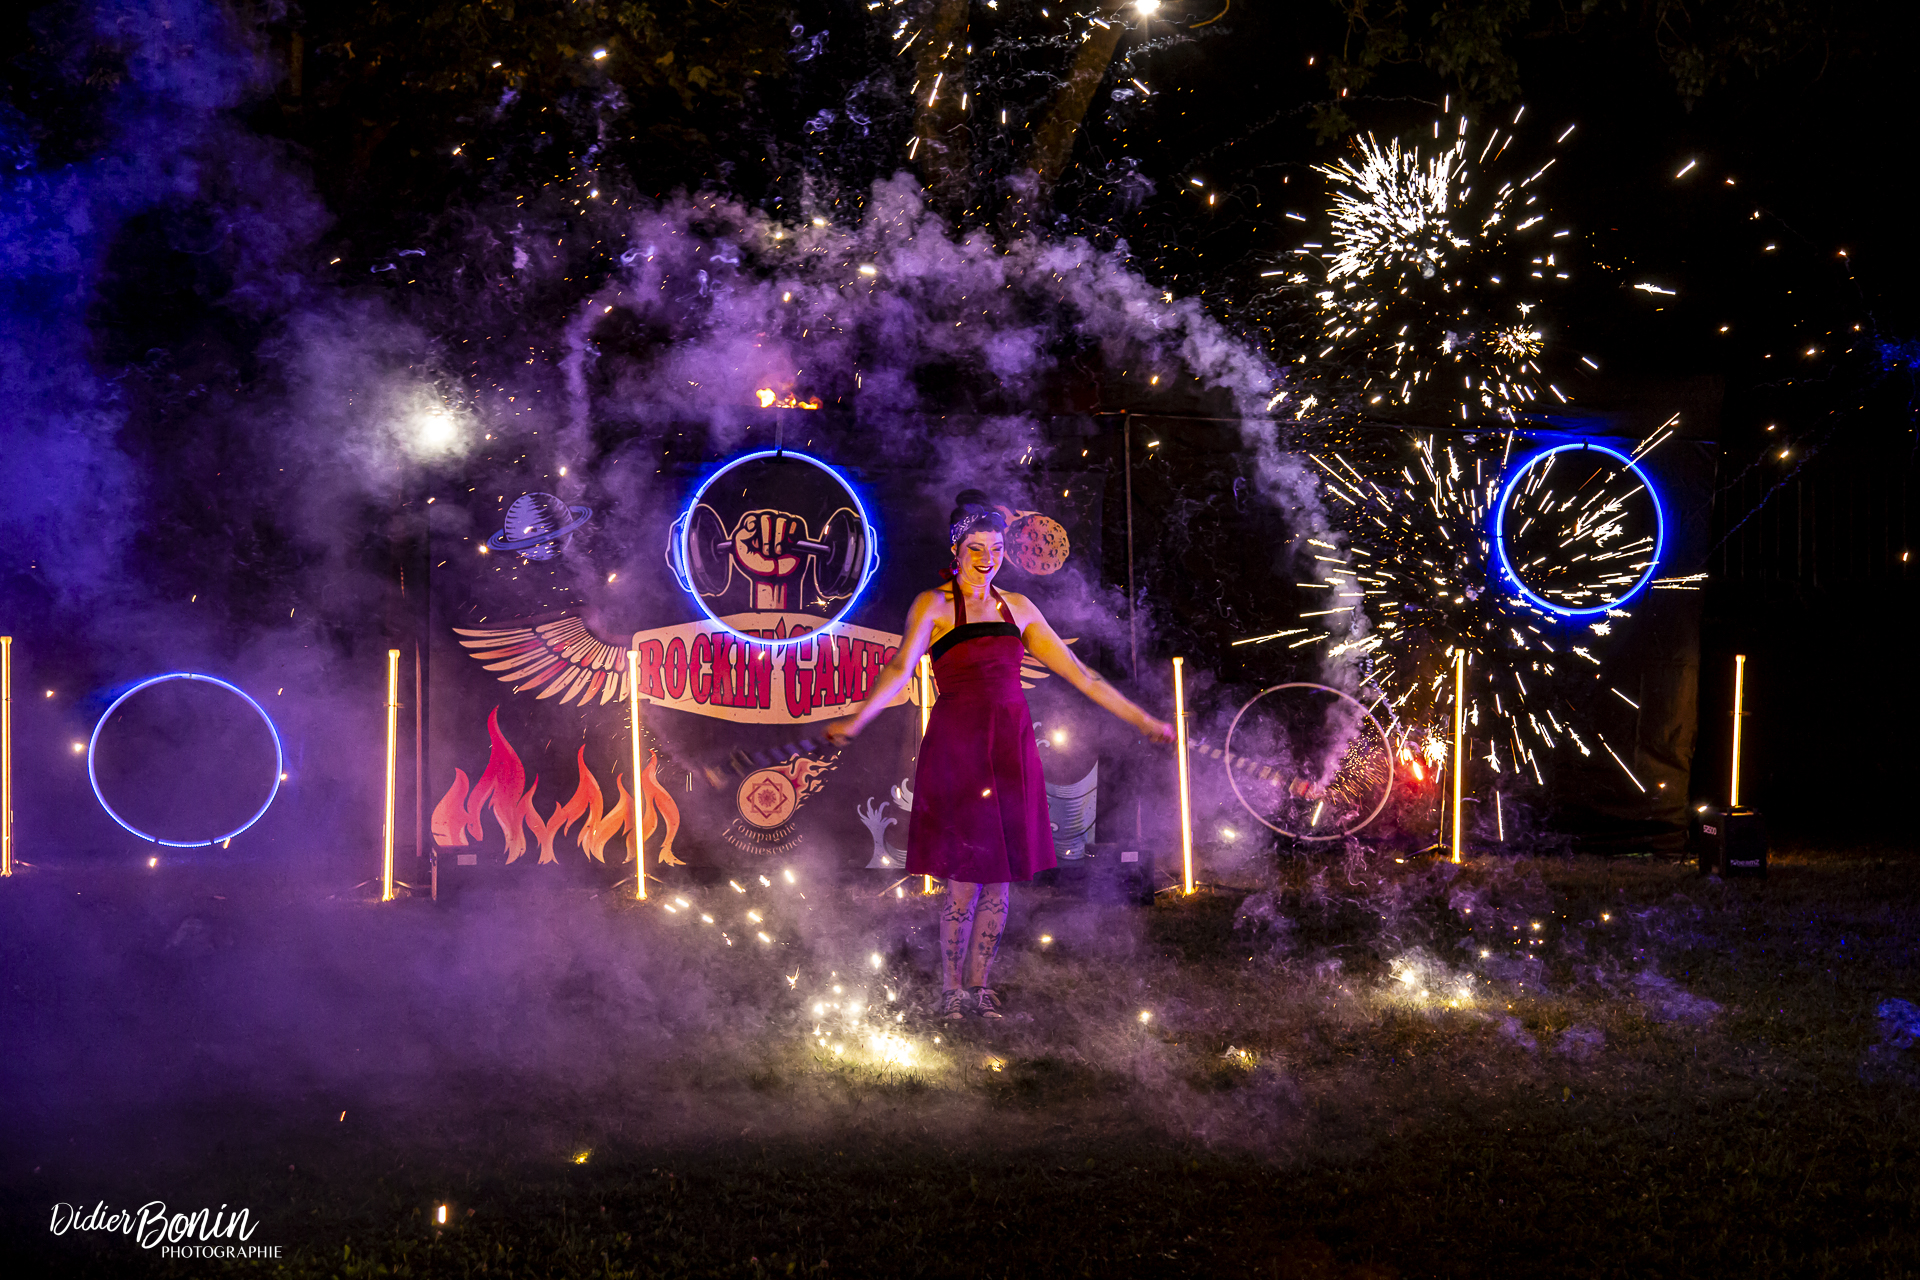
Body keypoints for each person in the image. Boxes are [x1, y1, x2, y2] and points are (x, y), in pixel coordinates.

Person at [826, 490, 1175, 1021]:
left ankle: (980, 986)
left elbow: (1082, 676)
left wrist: (1143, 720)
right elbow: (899, 668)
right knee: (964, 877)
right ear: (955, 549)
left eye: (996, 548)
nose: (987, 558)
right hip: (959, 751)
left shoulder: (1020, 608)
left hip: (1010, 751)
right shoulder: (933, 605)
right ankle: (951, 991)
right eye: (976, 548)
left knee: (999, 876)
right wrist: (856, 721)